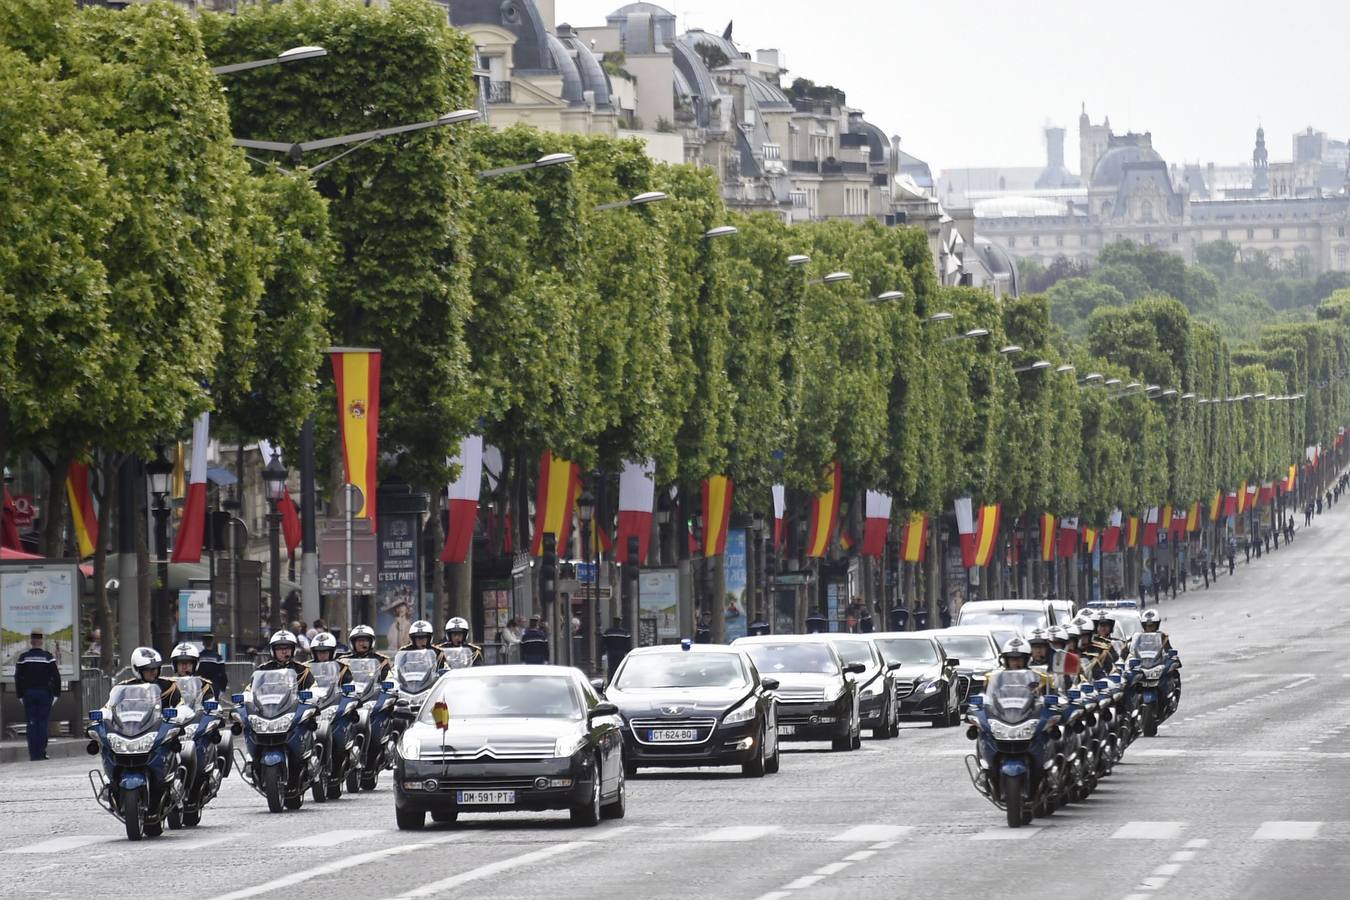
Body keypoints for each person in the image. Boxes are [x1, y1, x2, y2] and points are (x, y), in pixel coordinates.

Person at [15, 630, 61, 761]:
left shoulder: (23, 658)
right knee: (42, 723)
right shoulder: (48, 657)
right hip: (44, 693)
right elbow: (56, 676)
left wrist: (20, 695)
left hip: (28, 693)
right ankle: (41, 752)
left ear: (31, 642)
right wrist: (56, 694)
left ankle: (33, 754)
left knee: (31, 723)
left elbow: (18, 677)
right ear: (41, 642)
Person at [115, 647, 183, 709]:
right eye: (147, 669)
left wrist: (181, 711)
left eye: (155, 668)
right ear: (137, 669)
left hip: (162, 722)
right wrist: (106, 713)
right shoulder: (125, 689)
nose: (153, 672)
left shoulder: (169, 687)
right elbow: (109, 707)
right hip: (132, 721)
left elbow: (181, 705)